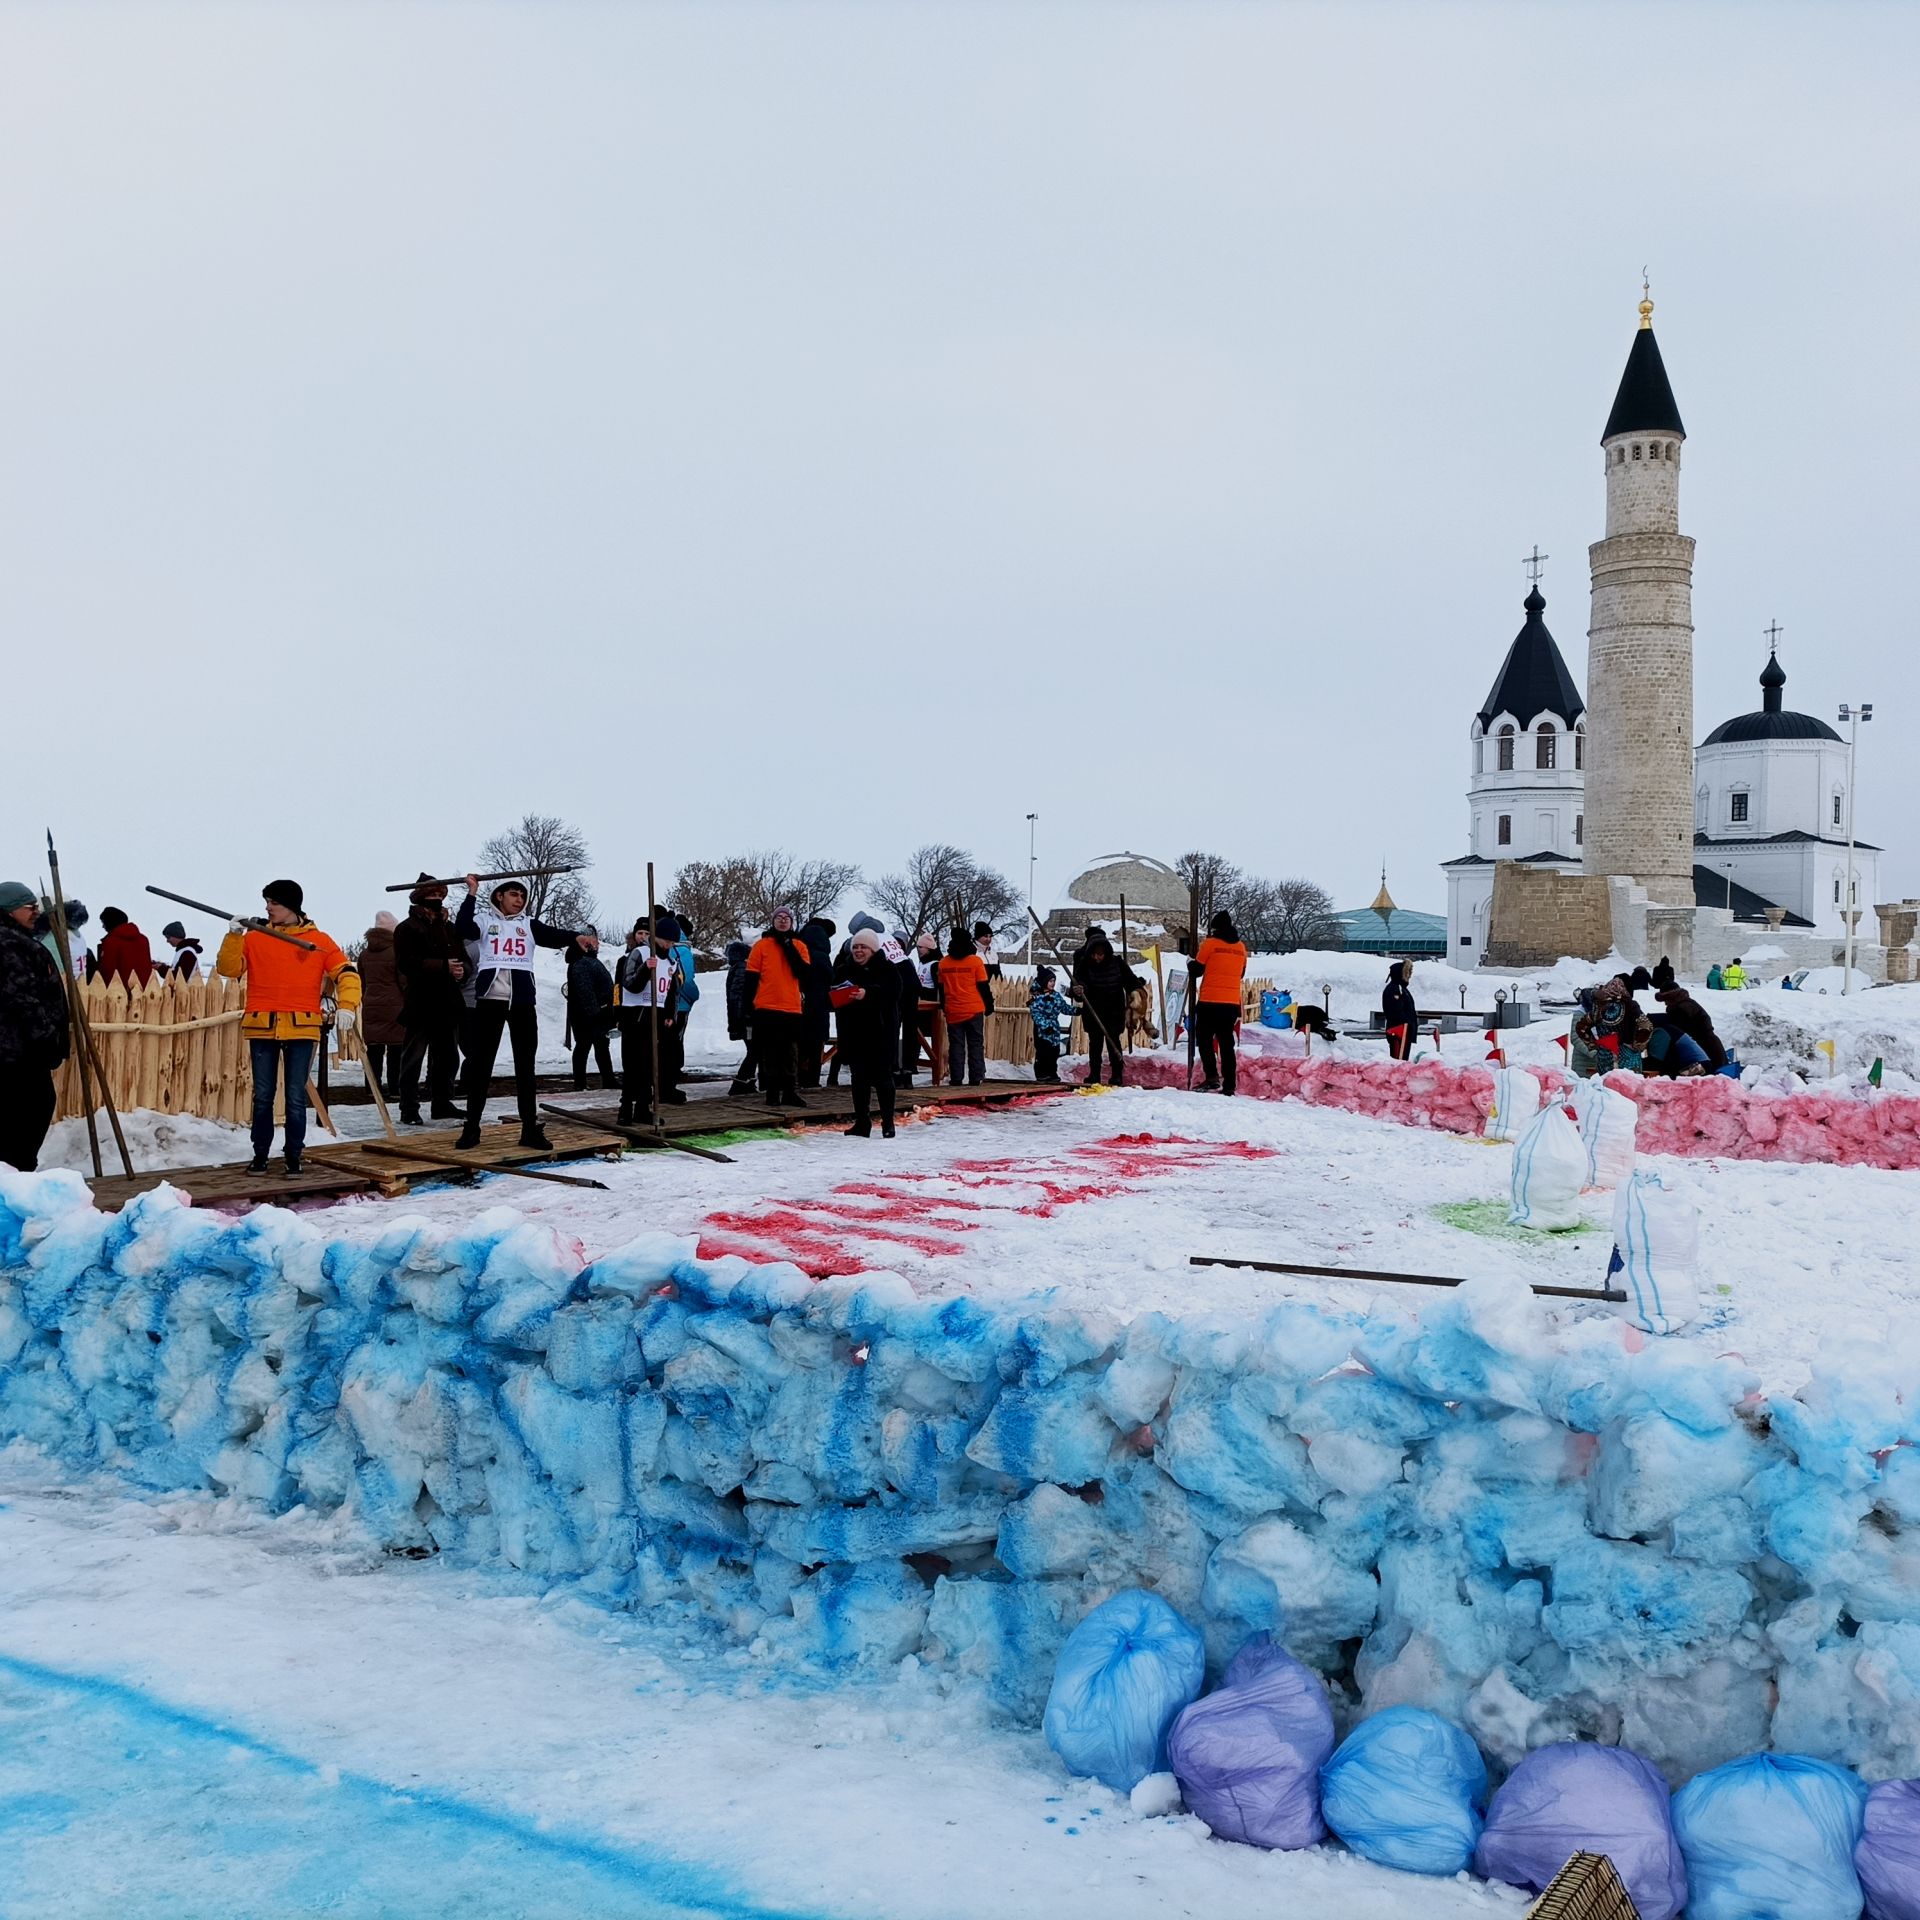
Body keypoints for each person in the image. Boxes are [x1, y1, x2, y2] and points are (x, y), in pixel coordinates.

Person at [215, 879, 360, 1176]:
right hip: (263, 1025)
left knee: (295, 1096)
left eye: (274, 902)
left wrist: (347, 1006)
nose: (268, 908)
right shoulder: (254, 938)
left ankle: (294, 1155)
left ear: (291, 906)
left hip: (302, 1027)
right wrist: (233, 936)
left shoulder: (318, 940)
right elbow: (228, 969)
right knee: (263, 1096)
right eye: (266, 902)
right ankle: (260, 1155)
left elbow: (346, 973)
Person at [452, 873, 580, 1151]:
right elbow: (462, 928)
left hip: (522, 1003)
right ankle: (471, 1127)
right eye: (513, 894)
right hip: (490, 1001)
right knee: (481, 1065)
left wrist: (577, 937)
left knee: (526, 1067)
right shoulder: (485, 921)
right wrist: (471, 893)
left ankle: (529, 1129)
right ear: (499, 896)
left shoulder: (528, 924)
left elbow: (553, 935)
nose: (519, 900)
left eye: (522, 896)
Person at [0, 880, 72, 1172]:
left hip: (20, 1050)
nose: (35, 912)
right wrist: (47, 1038)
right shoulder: (7, 945)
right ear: (8, 910)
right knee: (28, 1112)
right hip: (16, 1052)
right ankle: (14, 1178)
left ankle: (15, 1175)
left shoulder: (19, 941)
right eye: (29, 907)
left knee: (30, 1111)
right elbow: (22, 998)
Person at [392, 876, 468, 1125]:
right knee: (413, 1058)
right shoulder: (408, 928)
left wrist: (462, 970)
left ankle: (442, 1102)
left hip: (448, 1001)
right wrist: (442, 966)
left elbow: (464, 958)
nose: (436, 900)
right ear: (420, 898)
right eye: (431, 896)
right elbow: (407, 963)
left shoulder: (449, 927)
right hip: (421, 1002)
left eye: (439, 896)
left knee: (447, 1058)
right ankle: (409, 1108)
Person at [833, 925, 903, 1137]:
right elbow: (833, 996)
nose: (858, 951)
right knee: (859, 1079)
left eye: (863, 947)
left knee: (883, 1077)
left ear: (873, 950)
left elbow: (895, 993)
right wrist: (839, 996)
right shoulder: (844, 969)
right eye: (856, 947)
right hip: (854, 1033)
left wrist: (869, 993)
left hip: (881, 1033)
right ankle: (862, 1122)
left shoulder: (888, 968)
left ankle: (888, 1122)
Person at [746, 908, 813, 1107]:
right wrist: (747, 1008)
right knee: (770, 1053)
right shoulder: (761, 946)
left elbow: (803, 973)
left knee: (790, 1052)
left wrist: (787, 945)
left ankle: (790, 1092)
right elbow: (751, 978)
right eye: (779, 918)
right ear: (772, 921)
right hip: (766, 1006)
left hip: (791, 1007)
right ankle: (772, 1093)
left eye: (787, 919)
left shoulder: (799, 945)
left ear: (792, 922)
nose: (783, 921)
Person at [615, 919, 680, 1122]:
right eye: (665, 940)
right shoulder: (640, 954)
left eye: (671, 942)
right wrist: (645, 969)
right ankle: (625, 1108)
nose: (667, 945)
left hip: (657, 1016)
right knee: (633, 1065)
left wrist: (670, 1014)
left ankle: (643, 1107)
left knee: (650, 1065)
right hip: (636, 1014)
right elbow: (629, 983)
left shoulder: (671, 962)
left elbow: (671, 991)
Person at [1071, 929, 1137, 1085]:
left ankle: (1117, 1075)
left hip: (1114, 1010)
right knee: (1095, 1044)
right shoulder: (1084, 965)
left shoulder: (1118, 963)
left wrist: (1136, 991)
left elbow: (1131, 981)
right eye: (1094, 954)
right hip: (1094, 1011)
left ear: (1106, 952)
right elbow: (1079, 983)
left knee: (1114, 1042)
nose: (1097, 958)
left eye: (1100, 954)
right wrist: (1079, 989)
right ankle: (1094, 1075)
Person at [1193, 911, 1249, 1094]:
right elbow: (1241, 974)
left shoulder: (1210, 944)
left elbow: (1196, 970)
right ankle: (1230, 1085)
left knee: (1204, 1039)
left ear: (1215, 928)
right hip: (1231, 1003)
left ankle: (1211, 1077)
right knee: (1226, 1044)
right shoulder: (1241, 947)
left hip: (1209, 1001)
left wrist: (1189, 962)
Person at [357, 910, 407, 1098]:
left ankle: (372, 1087)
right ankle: (395, 1088)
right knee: (396, 1047)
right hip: (395, 1005)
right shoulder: (398, 952)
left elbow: (362, 981)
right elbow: (403, 981)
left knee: (374, 1049)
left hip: (371, 1005)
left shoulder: (364, 954)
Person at [938, 928, 993, 1087]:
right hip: (974, 1009)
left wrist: (944, 1006)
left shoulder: (943, 963)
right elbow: (983, 986)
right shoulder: (975, 962)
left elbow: (941, 989)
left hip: (953, 1010)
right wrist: (989, 1005)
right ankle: (976, 1077)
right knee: (975, 1044)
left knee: (956, 1045)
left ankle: (956, 1078)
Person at [566, 931, 617, 1093]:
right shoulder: (582, 962)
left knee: (599, 1046)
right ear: (586, 944)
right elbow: (585, 990)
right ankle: (581, 1082)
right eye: (595, 943)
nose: (598, 946)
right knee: (585, 1046)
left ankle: (607, 1079)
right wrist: (596, 1013)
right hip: (589, 1015)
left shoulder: (587, 961)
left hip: (593, 1012)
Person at [1647, 985, 1728, 1076]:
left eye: (1666, 1000)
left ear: (1671, 998)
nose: (1665, 1004)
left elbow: (1676, 1030)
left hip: (1706, 1049)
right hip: (1710, 1046)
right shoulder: (1688, 1004)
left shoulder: (1681, 1009)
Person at [796, 915, 836, 1087]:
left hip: (800, 1005)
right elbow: (831, 979)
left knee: (800, 1045)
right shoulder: (823, 957)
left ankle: (798, 1077)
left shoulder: (800, 954)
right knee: (816, 1046)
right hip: (820, 1007)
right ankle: (812, 1081)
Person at [665, 915, 700, 1097]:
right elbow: (685, 980)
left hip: (664, 1003)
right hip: (680, 1004)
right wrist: (695, 996)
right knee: (675, 1042)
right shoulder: (681, 949)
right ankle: (671, 1079)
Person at [900, 929, 939, 1085]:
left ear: (929, 948)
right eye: (917, 948)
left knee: (919, 1034)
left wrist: (919, 990)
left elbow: (936, 988)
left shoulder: (935, 965)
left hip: (929, 1007)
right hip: (917, 1005)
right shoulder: (921, 963)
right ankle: (911, 1063)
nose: (918, 951)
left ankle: (913, 1062)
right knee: (912, 1034)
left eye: (921, 948)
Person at [724, 939, 758, 1097]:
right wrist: (746, 1015)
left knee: (754, 1050)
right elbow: (739, 996)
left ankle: (748, 1082)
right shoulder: (744, 968)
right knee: (755, 1050)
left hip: (741, 1018)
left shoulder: (735, 968)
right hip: (747, 1019)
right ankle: (741, 1082)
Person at [1028, 965, 1072, 1082]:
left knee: (1054, 1052)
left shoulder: (1055, 996)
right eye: (1050, 981)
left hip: (1054, 1029)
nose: (1052, 983)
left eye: (1053, 981)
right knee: (1043, 1052)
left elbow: (1064, 1007)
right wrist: (1045, 1026)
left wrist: (1076, 1011)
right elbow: (1036, 1015)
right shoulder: (1037, 998)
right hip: (1043, 1030)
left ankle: (1052, 1073)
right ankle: (1042, 1074)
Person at [95, 908, 158, 988]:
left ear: (110, 922)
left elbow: (107, 970)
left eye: (104, 922)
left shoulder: (111, 942)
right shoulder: (143, 939)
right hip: (144, 991)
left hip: (118, 992)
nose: (103, 926)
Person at [1381, 958, 1418, 1062]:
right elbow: (1395, 1011)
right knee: (1398, 1061)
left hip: (1403, 1031)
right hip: (1399, 1031)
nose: (1410, 975)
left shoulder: (1401, 988)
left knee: (1401, 1059)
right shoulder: (1395, 988)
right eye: (1408, 972)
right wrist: (1407, 1022)